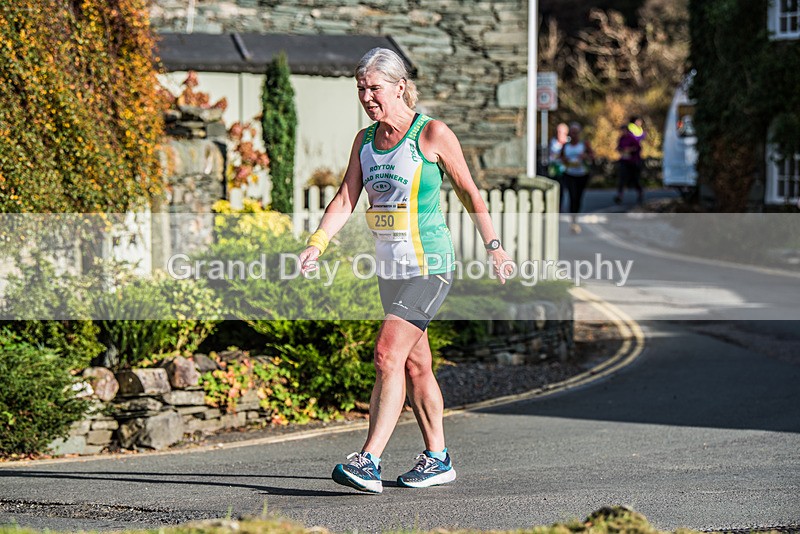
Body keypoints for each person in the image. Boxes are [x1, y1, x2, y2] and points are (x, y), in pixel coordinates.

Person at [297, 47, 514, 494]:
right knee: (416, 366)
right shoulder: (364, 141)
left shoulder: (431, 133)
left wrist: (494, 247)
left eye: (374, 87)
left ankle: (368, 460)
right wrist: (316, 243)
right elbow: (344, 200)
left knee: (386, 354)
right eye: (360, 89)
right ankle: (438, 458)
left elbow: (470, 192)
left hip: (429, 266)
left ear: (400, 86)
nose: (367, 96)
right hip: (390, 269)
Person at [559, 121, 594, 234]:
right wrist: (565, 161)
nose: (573, 135)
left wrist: (585, 156)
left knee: (578, 198)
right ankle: (573, 221)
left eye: (576, 133)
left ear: (579, 133)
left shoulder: (584, 144)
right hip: (569, 174)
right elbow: (560, 157)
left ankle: (575, 219)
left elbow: (592, 155)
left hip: (582, 174)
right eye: (572, 133)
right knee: (572, 196)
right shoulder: (566, 145)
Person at [614, 116, 645, 205]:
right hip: (624, 160)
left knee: (635, 179)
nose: (622, 132)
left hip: (633, 161)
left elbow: (638, 148)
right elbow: (619, 147)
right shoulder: (621, 138)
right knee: (622, 178)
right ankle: (620, 195)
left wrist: (630, 150)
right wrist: (621, 150)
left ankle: (640, 192)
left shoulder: (632, 138)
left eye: (624, 131)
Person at [547, 122, 569, 212]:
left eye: (561, 132)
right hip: (554, 170)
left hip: (565, 170)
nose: (559, 134)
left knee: (562, 190)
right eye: (558, 131)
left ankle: (560, 207)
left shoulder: (568, 143)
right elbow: (551, 156)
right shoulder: (552, 142)